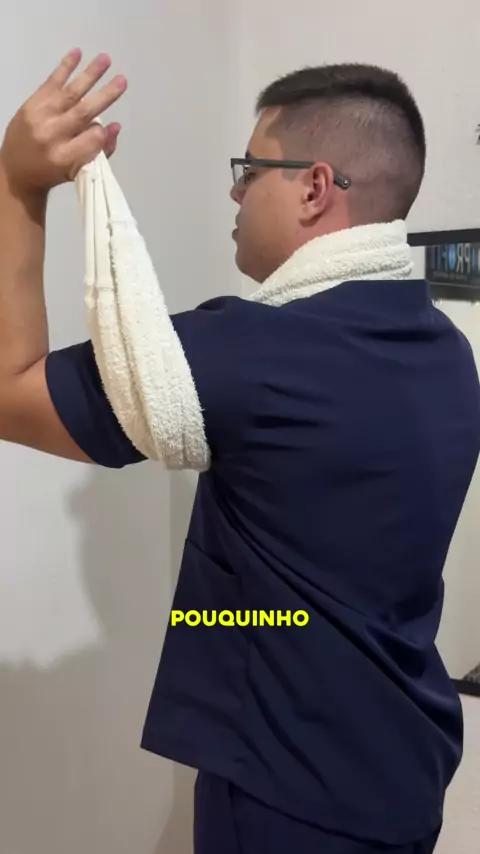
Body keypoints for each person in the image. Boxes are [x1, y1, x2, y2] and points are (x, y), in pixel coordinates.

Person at [0, 48, 479, 854]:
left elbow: (9, 392)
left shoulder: (251, 353)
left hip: (288, 798)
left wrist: (17, 184)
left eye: (248, 170)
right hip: (406, 769)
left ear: (315, 187)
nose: (234, 192)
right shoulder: (448, 351)